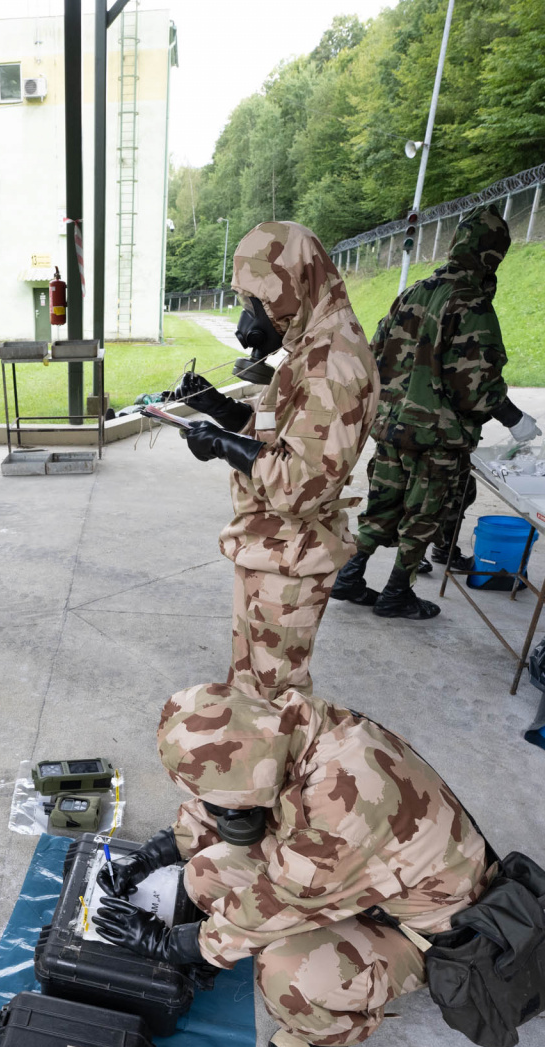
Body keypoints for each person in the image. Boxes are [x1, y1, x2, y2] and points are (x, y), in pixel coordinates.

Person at [91, 681, 492, 1047]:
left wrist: (173, 945)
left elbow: (277, 903)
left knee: (288, 975)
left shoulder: (342, 812)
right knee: (203, 874)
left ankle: (331, 1031)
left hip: (427, 929)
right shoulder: (284, 726)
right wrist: (151, 855)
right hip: (356, 875)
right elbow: (230, 798)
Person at [172, 221, 378, 695]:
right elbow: (286, 438)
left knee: (275, 695)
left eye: (256, 302)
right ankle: (258, 764)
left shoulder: (334, 364)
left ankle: (280, 767)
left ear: (288, 287)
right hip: (271, 550)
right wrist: (222, 412)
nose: (250, 318)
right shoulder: (311, 346)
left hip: (294, 559)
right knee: (251, 687)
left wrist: (222, 445)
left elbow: (301, 482)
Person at [332, 206, 534, 621]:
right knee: (423, 516)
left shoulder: (415, 291)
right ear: (494, 256)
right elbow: (474, 386)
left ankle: (349, 576)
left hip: (391, 428)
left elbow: (374, 354)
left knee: (382, 505)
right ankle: (396, 594)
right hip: (436, 438)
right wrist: (513, 418)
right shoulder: (471, 304)